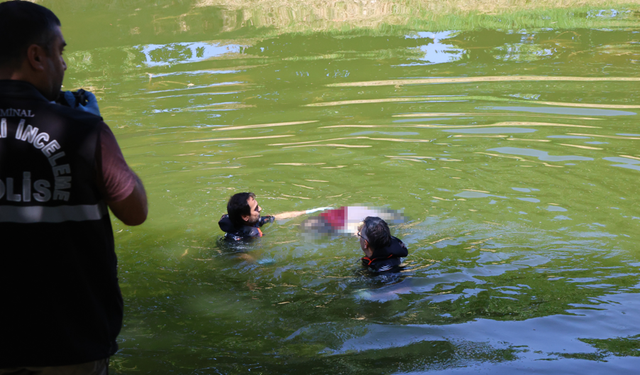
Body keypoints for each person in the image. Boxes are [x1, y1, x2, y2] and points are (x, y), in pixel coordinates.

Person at [0, 2, 148, 374]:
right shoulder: (83, 130)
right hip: (70, 344)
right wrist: (94, 123)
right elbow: (135, 212)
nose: (63, 64)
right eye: (60, 51)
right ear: (36, 55)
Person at [219, 192, 329, 241]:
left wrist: (307, 212)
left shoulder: (248, 221)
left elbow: (276, 217)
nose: (260, 209)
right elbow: (243, 256)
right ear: (245, 217)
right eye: (256, 209)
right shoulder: (244, 236)